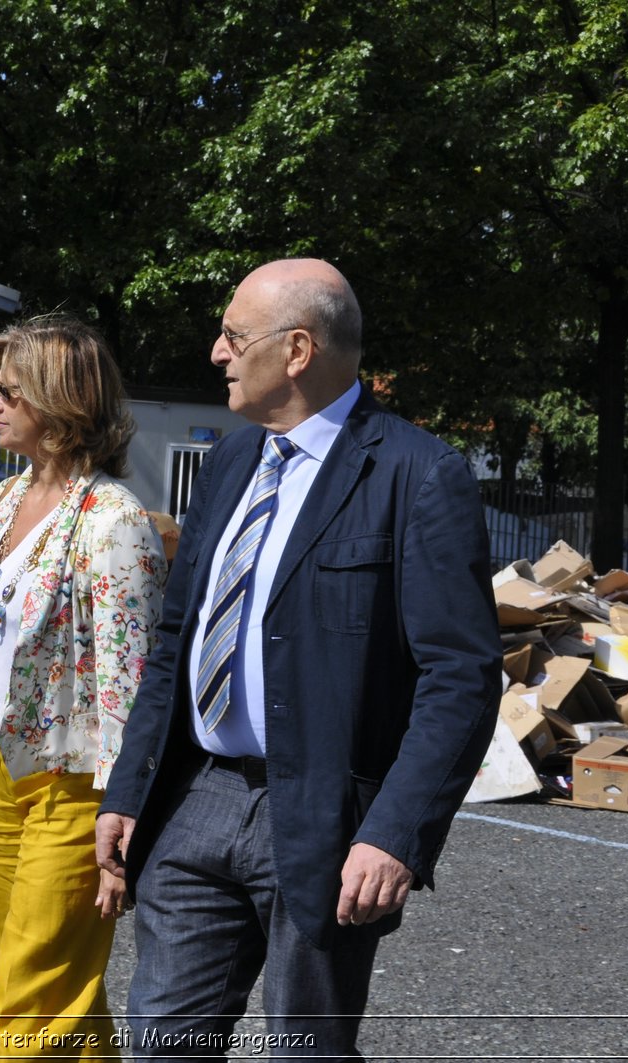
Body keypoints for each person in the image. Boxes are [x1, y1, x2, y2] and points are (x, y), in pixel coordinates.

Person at [95, 258, 502, 1060]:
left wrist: (396, 832)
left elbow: (460, 675)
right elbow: (175, 641)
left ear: (298, 350)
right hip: (196, 800)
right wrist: (131, 786)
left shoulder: (418, 475)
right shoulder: (231, 465)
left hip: (323, 818)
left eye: (232, 335)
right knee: (162, 1043)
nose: (216, 352)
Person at [0, 315, 167, 1059]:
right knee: (58, 997)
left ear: (60, 403)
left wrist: (126, 809)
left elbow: (132, 678)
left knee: (25, 1000)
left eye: (8, 392)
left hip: (74, 782)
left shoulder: (114, 520)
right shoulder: (7, 498)